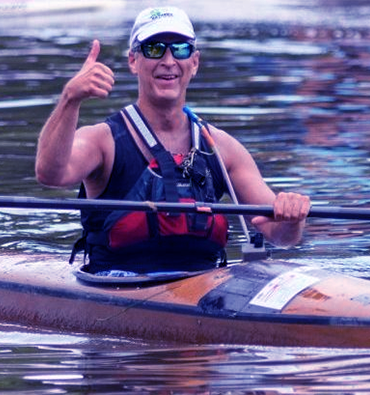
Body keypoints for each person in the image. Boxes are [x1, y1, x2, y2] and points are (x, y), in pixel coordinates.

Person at [35, 6, 310, 275]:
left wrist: (292, 219)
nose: (168, 61)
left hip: (203, 289)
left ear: (195, 62)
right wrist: (71, 99)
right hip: (117, 285)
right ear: (133, 61)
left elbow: (279, 234)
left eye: (180, 49)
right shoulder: (102, 141)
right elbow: (50, 173)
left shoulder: (223, 149)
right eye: (154, 48)